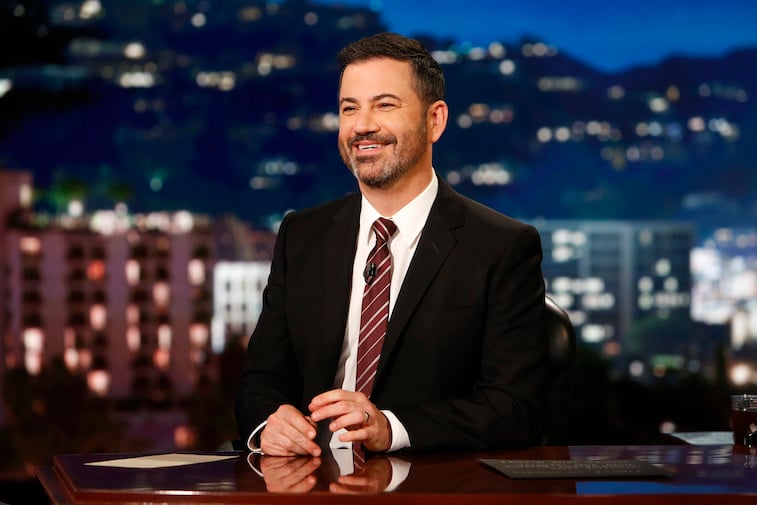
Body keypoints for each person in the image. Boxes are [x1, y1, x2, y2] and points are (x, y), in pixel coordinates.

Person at [235, 32, 547, 457]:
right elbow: (261, 380)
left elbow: (516, 407)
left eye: (384, 105)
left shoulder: (501, 246)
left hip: (428, 479)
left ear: (434, 120)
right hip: (311, 474)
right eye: (349, 108)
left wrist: (390, 428)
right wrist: (268, 424)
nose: (363, 125)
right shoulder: (301, 235)